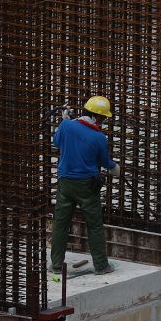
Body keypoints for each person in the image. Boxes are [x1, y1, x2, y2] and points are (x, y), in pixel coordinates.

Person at [50, 95, 120, 275]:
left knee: (60, 224)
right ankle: (101, 266)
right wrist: (115, 168)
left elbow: (56, 142)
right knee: (94, 226)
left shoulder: (66, 126)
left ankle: (56, 265)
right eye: (103, 118)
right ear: (96, 116)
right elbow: (105, 162)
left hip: (65, 183)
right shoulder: (99, 137)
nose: (104, 122)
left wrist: (63, 123)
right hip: (87, 187)